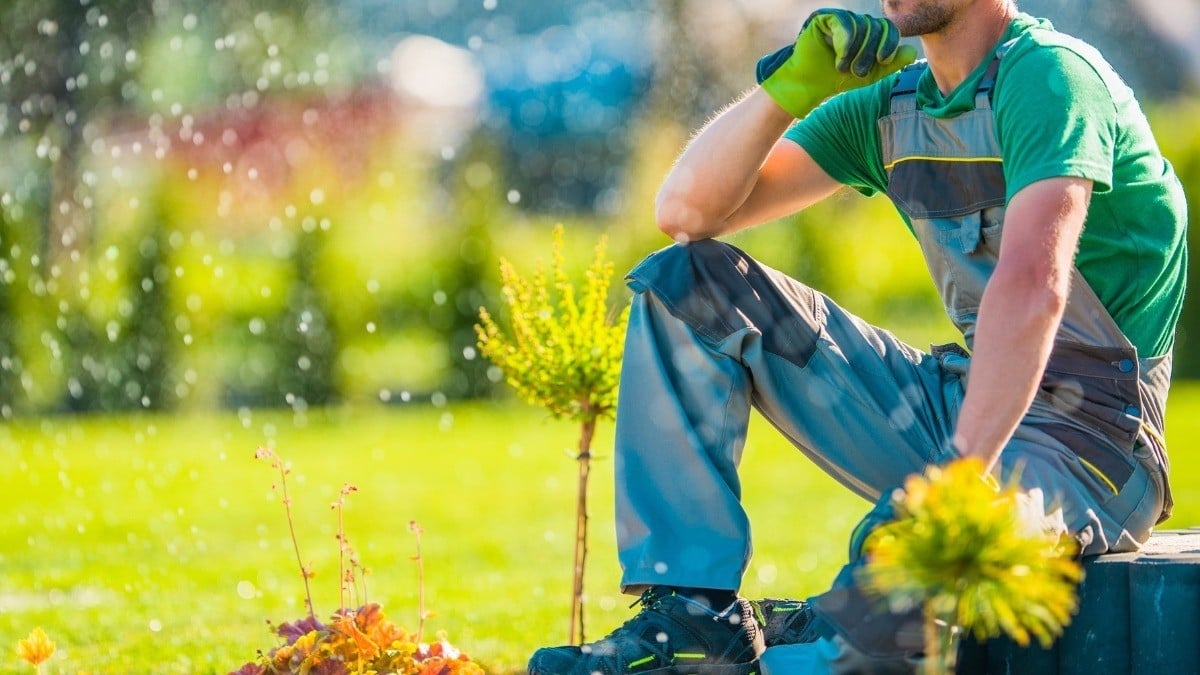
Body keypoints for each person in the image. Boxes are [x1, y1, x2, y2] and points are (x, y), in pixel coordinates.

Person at [528, 0, 1188, 672]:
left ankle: (811, 641)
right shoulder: (895, 106)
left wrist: (955, 480)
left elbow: (1032, 283)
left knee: (900, 560)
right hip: (967, 400)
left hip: (1093, 447)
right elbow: (684, 211)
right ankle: (697, 617)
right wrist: (784, 93)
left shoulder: (1050, 78)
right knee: (687, 283)